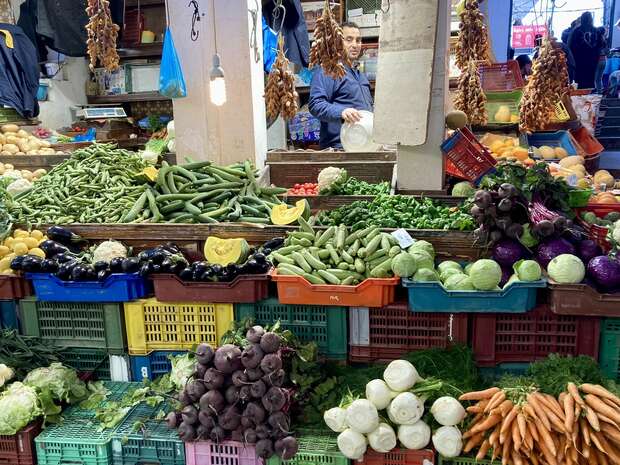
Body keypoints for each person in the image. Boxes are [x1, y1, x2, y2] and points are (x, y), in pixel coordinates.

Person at [308, 22, 373, 149]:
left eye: (358, 40)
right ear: (337, 42)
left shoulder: (361, 76)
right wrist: (341, 112)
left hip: (363, 147)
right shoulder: (329, 71)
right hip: (338, 149)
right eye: (349, 40)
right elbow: (315, 104)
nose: (355, 45)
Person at [568, 12, 603, 89]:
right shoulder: (596, 31)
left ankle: (582, 98)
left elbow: (569, 46)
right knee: (590, 81)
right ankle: (590, 97)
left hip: (579, 62)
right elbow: (602, 45)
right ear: (591, 19)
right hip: (592, 62)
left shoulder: (575, 31)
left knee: (579, 82)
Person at [594, 27, 609, 93]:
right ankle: (600, 91)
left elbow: (595, 52)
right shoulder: (604, 41)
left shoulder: (596, 41)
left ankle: (596, 91)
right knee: (600, 78)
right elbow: (608, 52)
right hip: (604, 60)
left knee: (595, 78)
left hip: (598, 60)